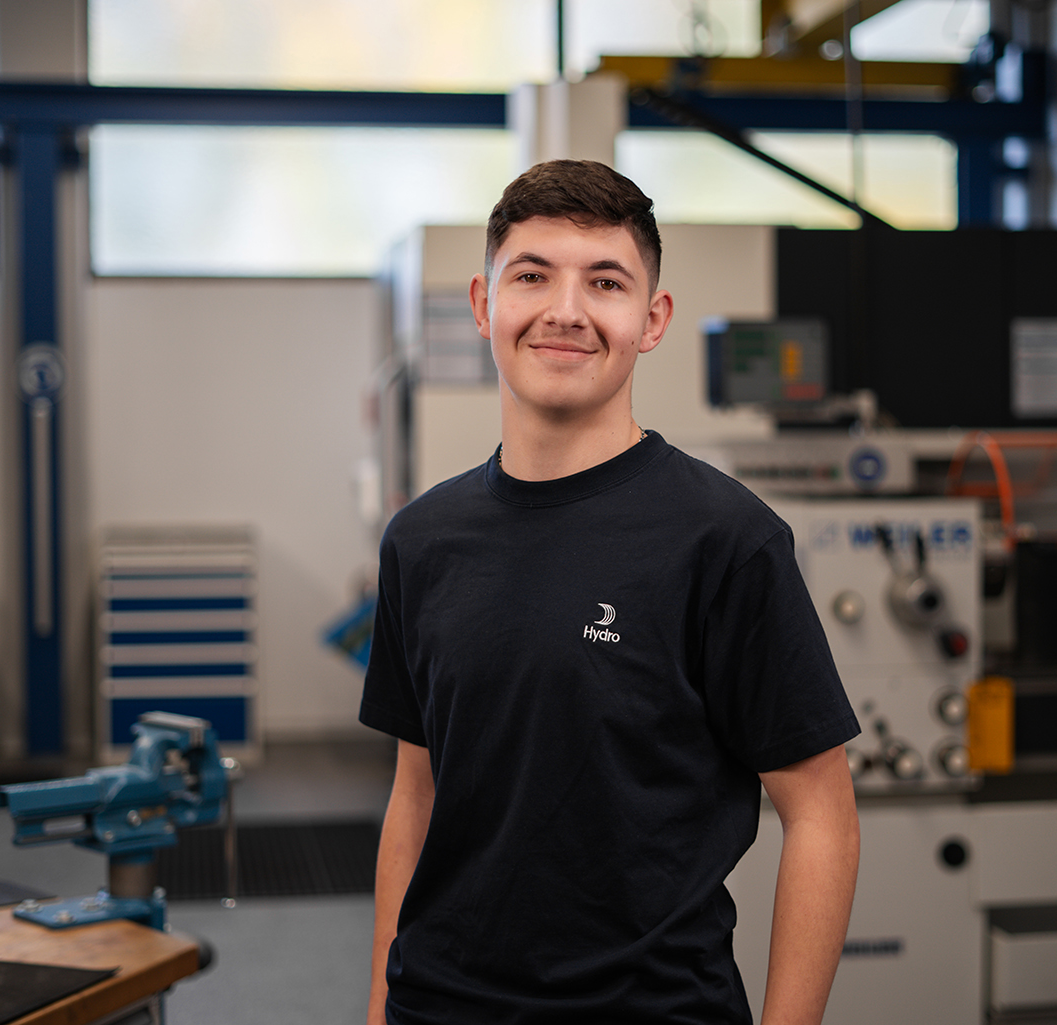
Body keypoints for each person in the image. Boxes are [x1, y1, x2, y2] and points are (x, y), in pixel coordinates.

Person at [361, 159, 860, 1025]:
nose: (565, 310)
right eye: (531, 275)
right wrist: (381, 1009)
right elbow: (417, 795)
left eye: (605, 281)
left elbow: (821, 814)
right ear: (485, 304)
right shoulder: (422, 541)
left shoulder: (726, 541)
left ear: (651, 318)